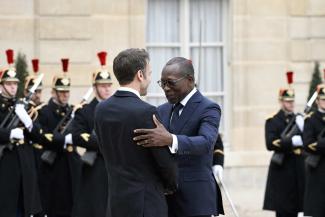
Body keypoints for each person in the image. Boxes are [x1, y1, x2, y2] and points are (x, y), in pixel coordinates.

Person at [133, 57, 222, 217]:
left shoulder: (208, 108)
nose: (166, 88)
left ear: (190, 80)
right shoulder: (162, 110)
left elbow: (206, 142)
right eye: (162, 83)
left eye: (171, 82)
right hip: (165, 199)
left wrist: (171, 139)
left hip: (196, 200)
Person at [94, 48, 177, 217]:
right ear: (140, 75)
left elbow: (104, 149)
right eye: (149, 72)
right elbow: (164, 162)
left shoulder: (101, 109)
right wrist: (172, 185)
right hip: (146, 204)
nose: (150, 78)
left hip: (116, 202)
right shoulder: (146, 112)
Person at [34, 59, 80, 217]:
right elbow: (42, 138)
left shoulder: (74, 111)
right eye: (61, 91)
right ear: (53, 92)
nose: (65, 95)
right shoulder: (45, 112)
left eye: (67, 91)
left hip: (70, 166)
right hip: (52, 167)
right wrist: (63, 140)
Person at [71, 51, 113, 217]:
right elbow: (77, 135)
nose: (107, 89)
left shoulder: (117, 109)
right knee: (95, 207)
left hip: (115, 166)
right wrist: (103, 143)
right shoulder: (86, 110)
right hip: (95, 166)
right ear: (95, 88)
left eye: (109, 85)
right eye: (103, 86)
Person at [0, 49, 41, 217]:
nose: (13, 87)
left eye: (15, 84)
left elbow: (39, 135)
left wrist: (29, 123)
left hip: (25, 162)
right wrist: (8, 135)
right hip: (5, 162)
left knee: (25, 206)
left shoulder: (22, 106)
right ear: (1, 85)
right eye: (9, 84)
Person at [263, 72, 305, 217]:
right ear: (281, 102)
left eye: (292, 101)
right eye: (288, 101)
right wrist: (292, 141)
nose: (291, 104)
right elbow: (270, 143)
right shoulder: (273, 121)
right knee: (283, 210)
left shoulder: (299, 119)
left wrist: (304, 129)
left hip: (297, 169)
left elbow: (309, 140)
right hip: (282, 171)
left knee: (296, 210)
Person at [303, 84, 325, 217]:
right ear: (317, 101)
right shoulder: (311, 119)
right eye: (323, 99)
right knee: (318, 209)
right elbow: (308, 144)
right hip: (318, 170)